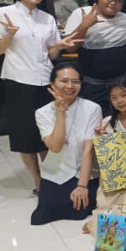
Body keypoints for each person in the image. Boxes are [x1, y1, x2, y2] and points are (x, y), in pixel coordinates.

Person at [0, 0, 81, 194]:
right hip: (19, 81)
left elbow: (50, 54)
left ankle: (51, 176)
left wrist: (59, 46)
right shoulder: (3, 13)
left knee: (48, 132)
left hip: (45, 81)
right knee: (26, 136)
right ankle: (38, 181)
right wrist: (9, 35)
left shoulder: (47, 18)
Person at [62, 0, 126, 114]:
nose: (113, 3)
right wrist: (85, 26)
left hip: (124, 85)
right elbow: (70, 47)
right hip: (93, 86)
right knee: (96, 121)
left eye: (119, 0)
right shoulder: (81, 14)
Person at [30, 63, 101, 225]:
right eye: (64, 81)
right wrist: (61, 113)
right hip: (56, 171)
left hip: (84, 172)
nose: (70, 86)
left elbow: (88, 150)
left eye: (75, 82)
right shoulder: (42, 112)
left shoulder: (92, 108)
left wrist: (82, 185)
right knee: (45, 214)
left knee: (79, 212)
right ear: (52, 84)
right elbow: (55, 147)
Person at [81, 72, 126, 236]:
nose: (119, 101)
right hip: (116, 178)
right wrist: (102, 139)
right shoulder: (108, 122)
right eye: (114, 97)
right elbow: (105, 158)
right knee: (109, 215)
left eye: (124, 95)